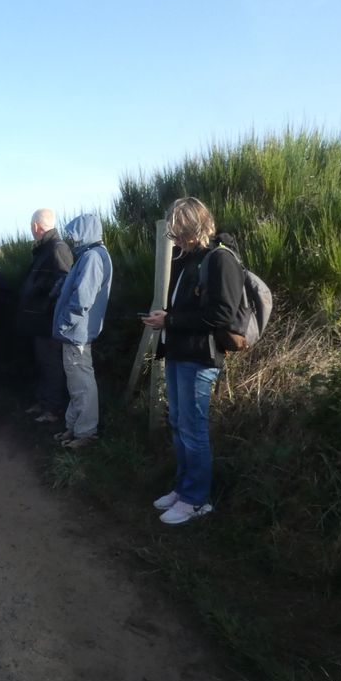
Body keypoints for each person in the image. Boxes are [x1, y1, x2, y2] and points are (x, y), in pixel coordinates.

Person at [142, 197, 244, 524]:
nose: (175, 237)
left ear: (193, 227)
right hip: (178, 352)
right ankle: (183, 488)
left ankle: (197, 499)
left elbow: (221, 314)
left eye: (179, 230)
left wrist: (169, 321)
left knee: (193, 429)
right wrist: (167, 318)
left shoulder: (219, 259)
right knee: (179, 424)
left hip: (200, 357)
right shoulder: (190, 259)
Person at [51, 212, 113, 449]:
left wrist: (64, 323)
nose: (73, 239)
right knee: (77, 383)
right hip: (78, 332)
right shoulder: (95, 255)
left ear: (85, 232)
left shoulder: (92, 257)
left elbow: (82, 298)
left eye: (76, 233)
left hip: (77, 332)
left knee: (82, 384)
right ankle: (74, 428)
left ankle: (86, 432)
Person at [18, 208, 74, 424]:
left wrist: (41, 293)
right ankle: (44, 402)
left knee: (51, 365)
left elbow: (64, 283)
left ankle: (53, 409)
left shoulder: (56, 248)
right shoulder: (46, 248)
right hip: (39, 320)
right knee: (43, 364)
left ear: (35, 227)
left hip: (47, 320)